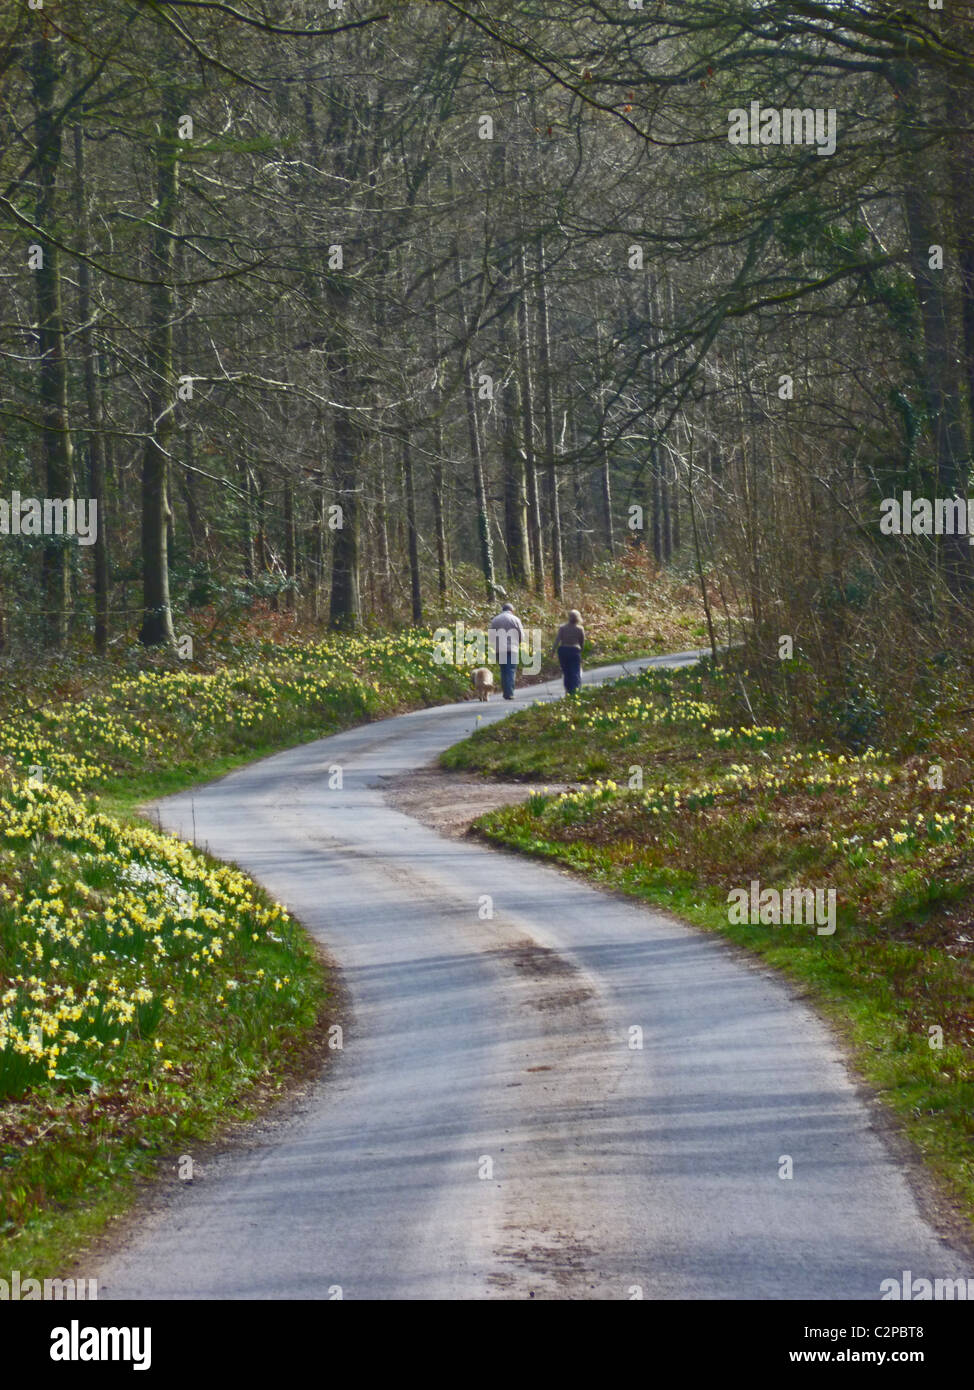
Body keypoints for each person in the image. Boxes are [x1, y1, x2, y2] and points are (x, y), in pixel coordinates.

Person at [488, 601, 525, 699]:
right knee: (511, 670)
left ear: (503, 610)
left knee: (503, 670)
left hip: (499, 649)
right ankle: (509, 693)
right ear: (512, 610)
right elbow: (521, 635)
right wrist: (518, 643)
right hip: (512, 648)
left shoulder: (495, 620)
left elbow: (491, 636)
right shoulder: (515, 619)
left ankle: (505, 692)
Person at [555, 609, 585, 695]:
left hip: (563, 650)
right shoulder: (580, 629)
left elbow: (557, 640)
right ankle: (575, 690)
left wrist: (553, 651)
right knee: (575, 671)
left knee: (566, 671)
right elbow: (582, 642)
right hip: (574, 650)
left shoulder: (562, 628)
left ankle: (567, 690)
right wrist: (581, 651)